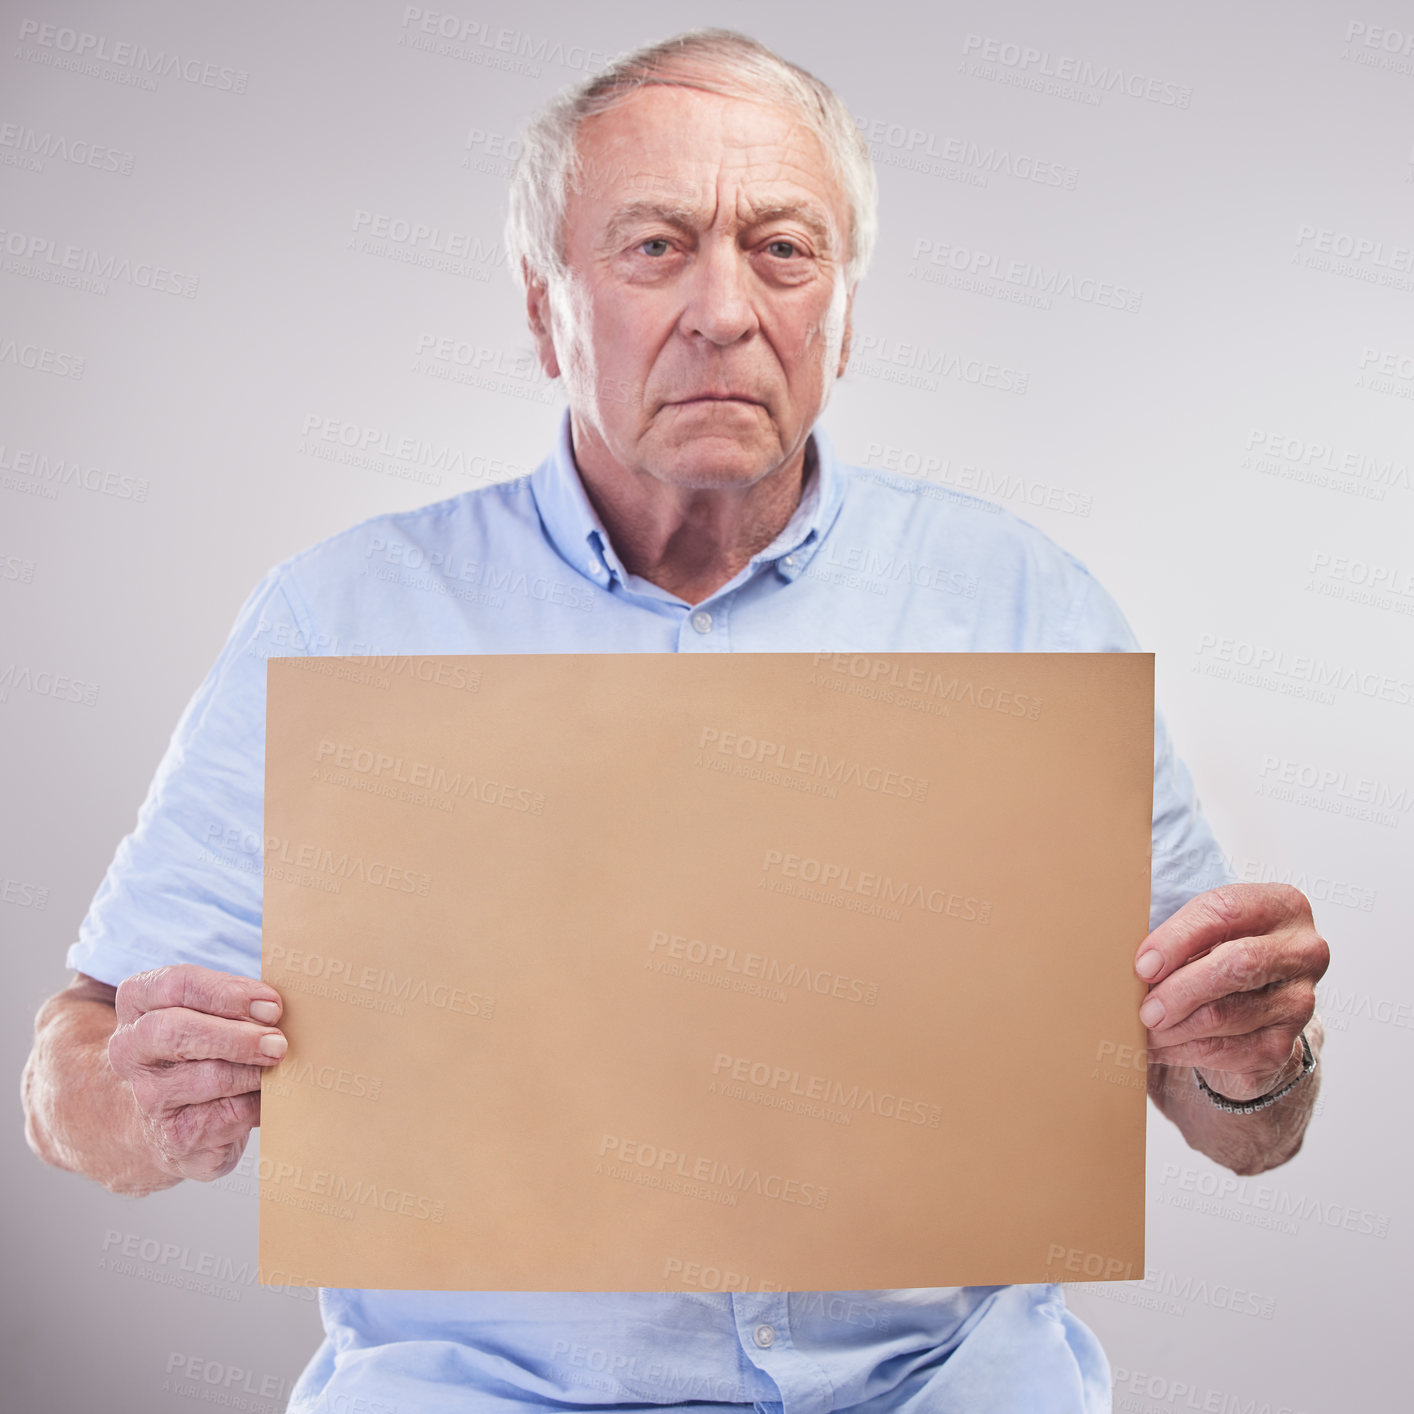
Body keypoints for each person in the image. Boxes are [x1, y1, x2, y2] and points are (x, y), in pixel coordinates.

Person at [21, 28, 1328, 1414]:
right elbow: (72, 1069)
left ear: (845, 308)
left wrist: (1253, 1065)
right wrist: (141, 1104)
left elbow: (1239, 1124)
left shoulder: (1018, 601)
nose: (722, 309)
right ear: (543, 309)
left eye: (781, 248)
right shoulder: (346, 614)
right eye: (654, 247)